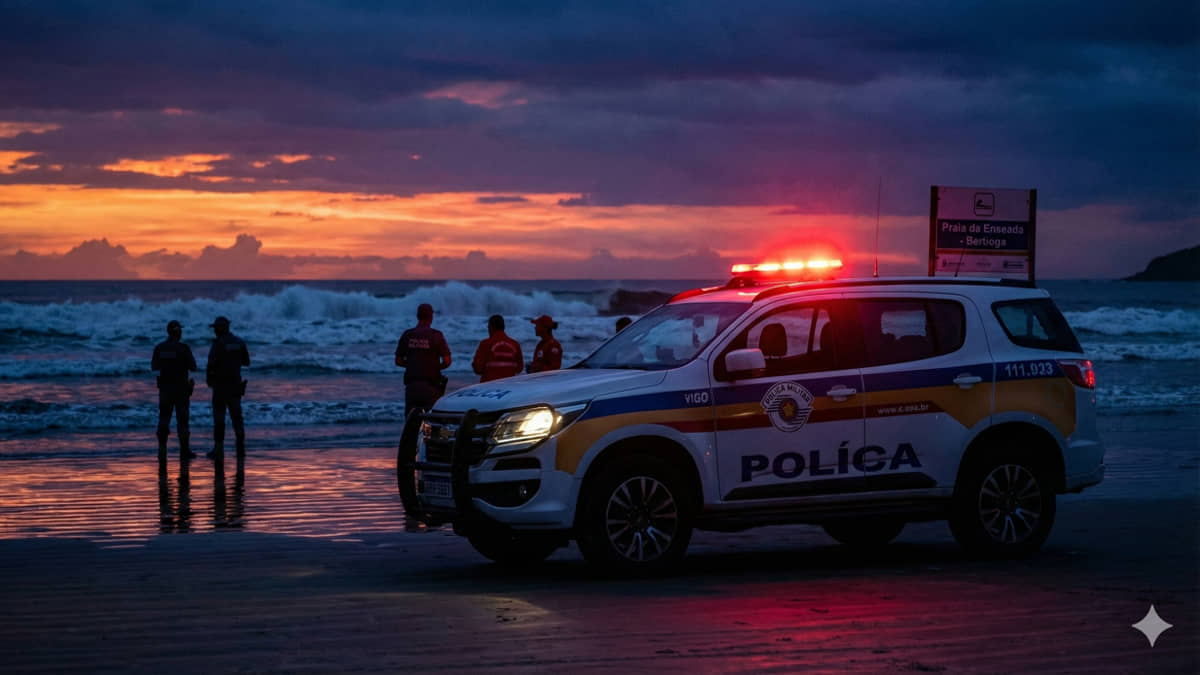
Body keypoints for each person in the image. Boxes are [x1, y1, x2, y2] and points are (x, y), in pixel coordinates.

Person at [151, 319, 197, 465]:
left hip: (165, 390)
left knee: (164, 419)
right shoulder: (184, 348)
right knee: (182, 422)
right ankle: (184, 452)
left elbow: (154, 366)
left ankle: (162, 451)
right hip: (181, 390)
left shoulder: (160, 347)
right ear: (179, 332)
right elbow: (193, 366)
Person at [394, 303, 452, 419]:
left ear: (417, 316)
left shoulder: (407, 334)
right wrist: (433, 366)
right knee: (431, 423)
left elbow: (398, 361)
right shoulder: (436, 335)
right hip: (431, 386)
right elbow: (447, 361)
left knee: (411, 423)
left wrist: (413, 364)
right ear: (431, 317)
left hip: (412, 387)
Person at [205, 315, 250, 461]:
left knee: (219, 419)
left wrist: (209, 379)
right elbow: (246, 362)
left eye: (216, 328)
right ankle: (240, 449)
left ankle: (218, 450)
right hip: (235, 385)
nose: (214, 331)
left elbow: (210, 364)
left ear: (220, 329)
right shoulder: (239, 342)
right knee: (237, 418)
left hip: (220, 387)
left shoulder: (218, 344)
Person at [472, 314, 523, 382]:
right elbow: (519, 369)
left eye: (488, 327)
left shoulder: (485, 344)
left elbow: (478, 369)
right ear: (504, 327)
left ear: (491, 327)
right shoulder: (515, 344)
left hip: (488, 387)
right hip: (509, 387)